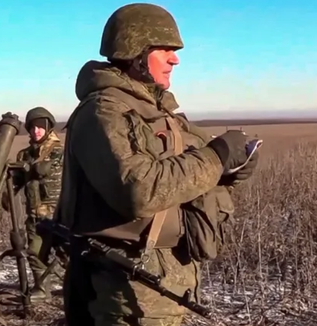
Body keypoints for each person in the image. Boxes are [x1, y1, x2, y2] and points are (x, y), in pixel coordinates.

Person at [56, 3, 259, 326]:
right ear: (134, 51)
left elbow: (185, 172)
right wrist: (217, 156)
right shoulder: (104, 113)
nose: (174, 59)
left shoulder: (156, 112)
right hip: (124, 289)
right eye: (164, 49)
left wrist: (229, 168)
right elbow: (140, 190)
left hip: (158, 281)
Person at [3, 107, 64, 302]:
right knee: (35, 253)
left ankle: (76, 289)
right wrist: (8, 194)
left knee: (69, 255)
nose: (36, 131)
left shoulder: (61, 152)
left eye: (40, 127)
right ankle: (41, 289)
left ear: (48, 127)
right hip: (36, 215)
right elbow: (18, 180)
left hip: (62, 215)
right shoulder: (25, 155)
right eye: (32, 128)